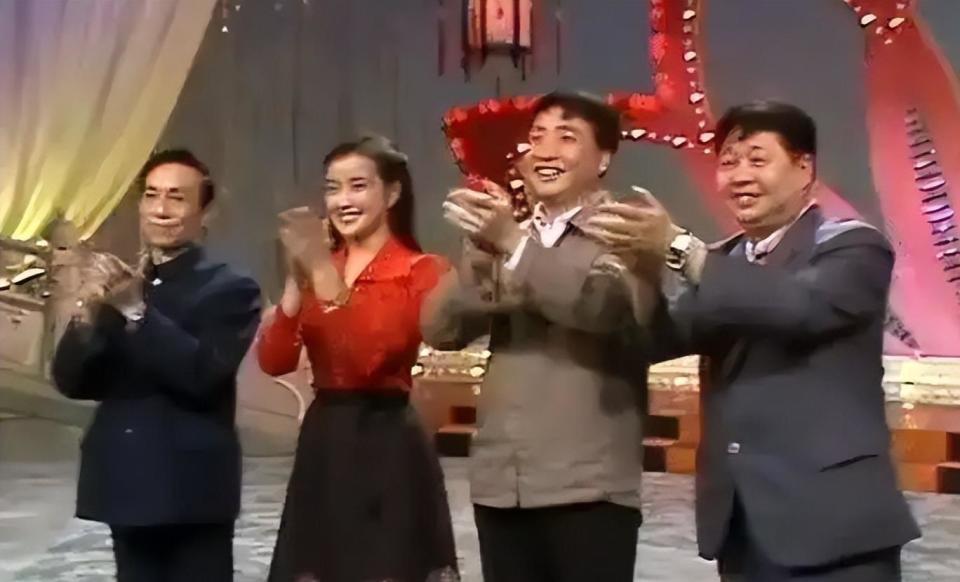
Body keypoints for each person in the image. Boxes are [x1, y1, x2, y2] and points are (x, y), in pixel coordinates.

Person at [583, 100, 922, 581]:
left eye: (757, 160)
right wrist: (642, 272)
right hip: (741, 525)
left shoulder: (853, 246)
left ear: (804, 168)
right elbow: (659, 340)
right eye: (728, 163)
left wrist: (679, 246)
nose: (739, 176)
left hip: (835, 524)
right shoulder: (721, 261)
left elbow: (799, 308)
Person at [422, 91, 657, 582]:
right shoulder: (509, 234)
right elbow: (440, 329)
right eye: (536, 137)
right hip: (501, 483)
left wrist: (512, 244)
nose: (545, 151)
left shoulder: (628, 230)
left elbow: (599, 307)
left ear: (604, 158)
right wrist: (479, 251)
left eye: (566, 137)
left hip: (587, 488)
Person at [51, 149, 263, 582]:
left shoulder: (231, 287)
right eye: (151, 195)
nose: (161, 210)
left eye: (177, 198)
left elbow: (203, 375)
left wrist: (137, 311)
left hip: (191, 490)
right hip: (126, 482)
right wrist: (87, 315)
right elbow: (72, 382)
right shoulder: (124, 282)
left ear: (206, 213)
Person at [256, 135, 458, 582]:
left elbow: (369, 356)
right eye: (332, 188)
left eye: (358, 186)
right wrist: (296, 281)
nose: (342, 201)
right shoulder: (320, 265)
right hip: (325, 442)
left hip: (387, 444)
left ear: (392, 193)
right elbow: (273, 360)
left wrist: (321, 271)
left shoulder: (422, 270)